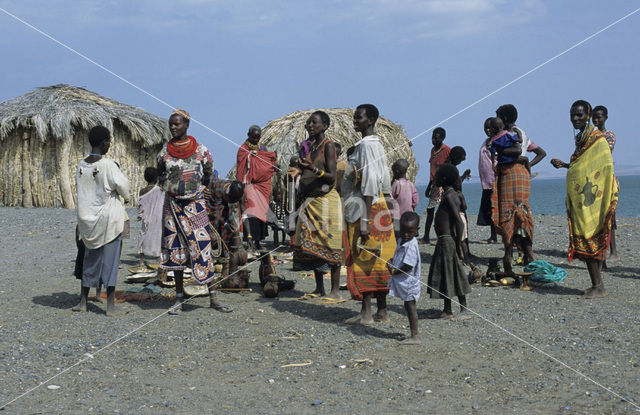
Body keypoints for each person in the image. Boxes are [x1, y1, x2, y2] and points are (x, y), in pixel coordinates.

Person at [158, 109, 230, 314]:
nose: (173, 127)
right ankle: (179, 299)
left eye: (177, 124)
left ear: (187, 125)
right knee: (176, 251)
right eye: (171, 124)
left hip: (195, 207)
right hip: (172, 207)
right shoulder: (164, 152)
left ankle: (213, 297)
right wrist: (171, 188)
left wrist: (202, 191)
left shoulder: (201, 150)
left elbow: (208, 176)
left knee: (202, 248)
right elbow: (160, 176)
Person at [551, 100, 617, 299]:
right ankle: (596, 284)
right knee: (586, 237)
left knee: (591, 237)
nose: (575, 119)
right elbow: (580, 166)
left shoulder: (597, 139)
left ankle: (599, 286)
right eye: (572, 115)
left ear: (588, 115)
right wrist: (566, 166)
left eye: (579, 115)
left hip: (593, 200)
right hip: (583, 200)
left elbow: (604, 166)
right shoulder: (583, 139)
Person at [342, 104, 396, 325]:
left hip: (366, 209)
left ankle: (366, 313)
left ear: (371, 120)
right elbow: (384, 182)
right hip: (378, 207)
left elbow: (370, 182)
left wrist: (364, 221)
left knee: (364, 256)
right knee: (378, 258)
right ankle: (382, 311)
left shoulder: (365, 145)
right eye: (355, 117)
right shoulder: (378, 144)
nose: (355, 120)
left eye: (359, 117)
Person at [73, 126, 130, 316]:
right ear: (105, 142)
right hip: (108, 219)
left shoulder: (81, 165)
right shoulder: (108, 164)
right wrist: (126, 197)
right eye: (109, 142)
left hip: (87, 220)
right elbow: (122, 186)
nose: (109, 145)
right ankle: (111, 307)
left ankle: (83, 302)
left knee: (90, 260)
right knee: (110, 261)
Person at [288, 111, 343, 300]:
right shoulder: (311, 147)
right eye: (308, 122)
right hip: (311, 202)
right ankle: (320, 288)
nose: (310, 125)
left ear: (325, 126)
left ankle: (335, 290)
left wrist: (312, 168)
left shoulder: (328, 146)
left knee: (331, 245)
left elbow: (331, 176)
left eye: (314, 122)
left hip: (326, 201)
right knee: (314, 248)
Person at [487, 116, 535, 277]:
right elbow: (519, 150)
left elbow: (515, 151)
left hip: (510, 175)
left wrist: (499, 151)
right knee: (521, 215)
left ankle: (511, 259)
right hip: (519, 174)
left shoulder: (498, 140)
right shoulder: (513, 134)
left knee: (511, 215)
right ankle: (528, 258)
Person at [427, 164, 471, 320]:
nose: (434, 178)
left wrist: (458, 244)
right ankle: (447, 310)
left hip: (448, 240)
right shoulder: (447, 195)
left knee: (455, 273)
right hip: (444, 240)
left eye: (437, 176)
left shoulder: (450, 195)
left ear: (444, 179)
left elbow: (458, 221)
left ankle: (464, 309)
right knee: (447, 274)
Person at [236, 125, 277, 252]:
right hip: (250, 185)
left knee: (261, 213)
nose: (255, 139)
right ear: (248, 134)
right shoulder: (243, 149)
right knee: (251, 212)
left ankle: (258, 241)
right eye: (253, 137)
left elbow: (269, 161)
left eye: (257, 137)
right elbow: (241, 167)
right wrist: (250, 156)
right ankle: (250, 240)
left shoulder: (262, 147)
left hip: (263, 186)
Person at [204, 177, 247, 288]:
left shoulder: (236, 191)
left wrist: (235, 227)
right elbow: (216, 214)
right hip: (208, 208)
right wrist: (228, 224)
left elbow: (230, 211)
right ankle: (207, 266)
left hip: (220, 208)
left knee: (229, 232)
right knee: (214, 235)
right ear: (227, 195)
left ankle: (226, 265)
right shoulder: (219, 189)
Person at [386, 211, 422, 345]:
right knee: (408, 307)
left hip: (410, 283)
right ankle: (414, 333)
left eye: (410, 232)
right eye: (403, 231)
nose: (406, 235)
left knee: (411, 307)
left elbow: (408, 265)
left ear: (416, 231)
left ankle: (415, 335)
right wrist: (391, 261)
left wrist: (394, 271)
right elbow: (399, 257)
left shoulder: (412, 245)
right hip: (404, 282)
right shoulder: (401, 240)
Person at [592, 105, 618, 260]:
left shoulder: (609, 135)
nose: (596, 120)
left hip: (606, 179)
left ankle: (613, 250)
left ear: (605, 118)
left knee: (610, 215)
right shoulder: (591, 135)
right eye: (594, 117)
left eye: (599, 117)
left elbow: (602, 155)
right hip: (593, 179)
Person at [421, 127, 450, 244]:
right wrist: (429, 186)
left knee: (442, 211)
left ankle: (442, 236)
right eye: (432, 137)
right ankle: (426, 237)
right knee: (430, 211)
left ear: (442, 138)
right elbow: (432, 170)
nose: (433, 140)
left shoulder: (447, 150)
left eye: (436, 138)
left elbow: (449, 168)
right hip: (434, 184)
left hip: (443, 185)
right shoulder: (433, 150)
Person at [496, 104, 546, 170]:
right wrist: (527, 165)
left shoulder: (509, 134)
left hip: (509, 172)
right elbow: (541, 153)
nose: (496, 122)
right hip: (520, 171)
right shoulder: (523, 134)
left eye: (498, 118)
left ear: (504, 118)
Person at [135, 166, 165, 271]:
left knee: (143, 235)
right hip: (157, 217)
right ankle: (158, 260)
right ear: (156, 178)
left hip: (146, 217)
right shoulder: (160, 190)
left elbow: (140, 206)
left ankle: (141, 260)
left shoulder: (142, 191)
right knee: (157, 237)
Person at [477, 118, 498, 243]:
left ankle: (495, 236)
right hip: (486, 182)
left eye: (490, 128)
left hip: (493, 180)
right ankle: (493, 235)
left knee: (494, 209)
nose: (488, 130)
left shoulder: (496, 142)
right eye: (486, 128)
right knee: (490, 209)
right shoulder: (486, 142)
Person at [390, 158, 418, 234]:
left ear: (396, 172)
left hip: (397, 217)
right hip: (409, 216)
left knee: (397, 235)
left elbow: (390, 198)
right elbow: (415, 200)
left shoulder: (396, 184)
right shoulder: (411, 184)